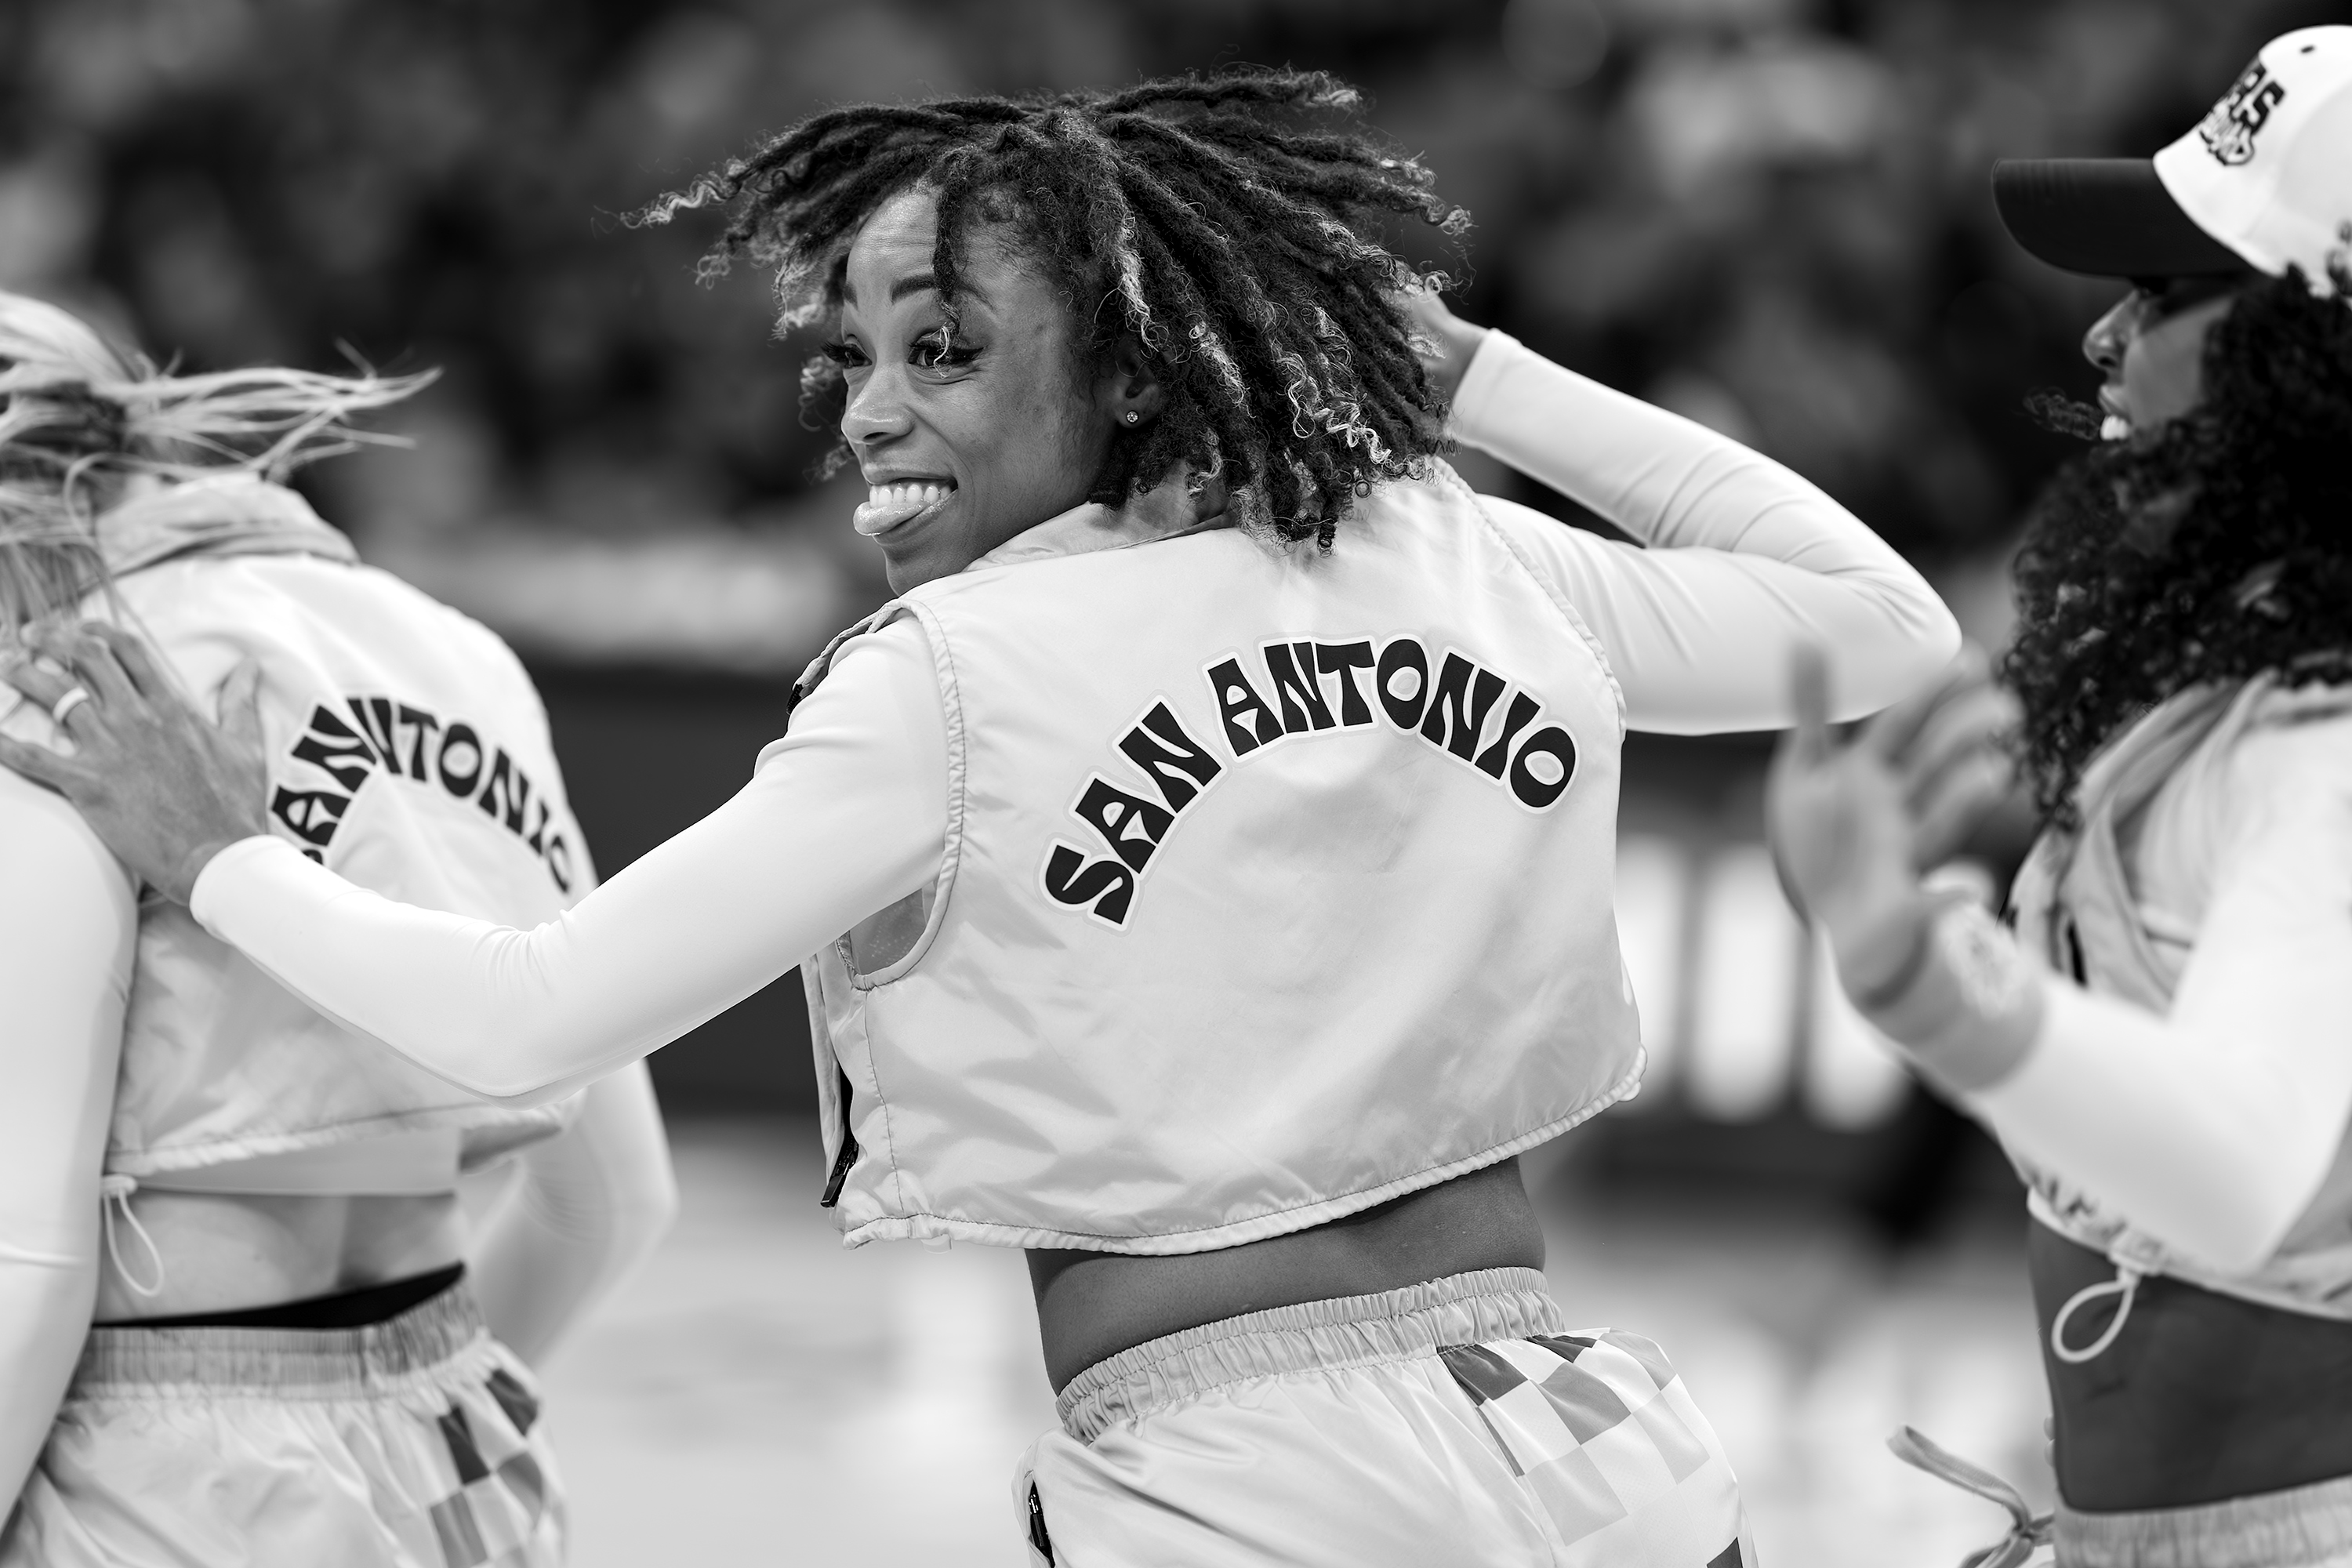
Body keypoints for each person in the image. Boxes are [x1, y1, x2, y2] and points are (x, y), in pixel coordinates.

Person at [1, 70, 1957, 1567]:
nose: (868, 411)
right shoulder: (1451, 558)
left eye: (944, 349)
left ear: (1132, 362)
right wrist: (1471, 375)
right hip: (1589, 1441)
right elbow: (1878, 621)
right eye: (849, 356)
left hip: (1240, 1487)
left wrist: (220, 851)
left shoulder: (946, 680)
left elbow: (525, 1018)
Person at [1767, 25, 2352, 1568]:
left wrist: (1920, 968)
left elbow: (2238, 1179)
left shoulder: (2330, 735)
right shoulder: (2242, 669)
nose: (2101, 337)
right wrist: (1902, 944)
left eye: (2163, 291)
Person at [0, 292, 677, 1568]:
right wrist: (414, 1440)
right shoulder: (458, 652)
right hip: (467, 1445)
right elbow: (616, 1198)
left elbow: (24, 1258)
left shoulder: (75, 695)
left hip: (169, 1471)